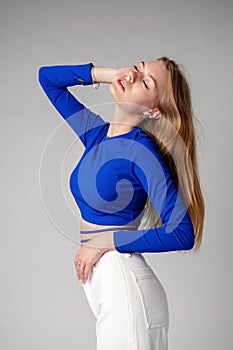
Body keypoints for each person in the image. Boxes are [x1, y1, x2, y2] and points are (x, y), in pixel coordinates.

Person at [38, 57, 205, 350]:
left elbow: (182, 232)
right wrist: (108, 74)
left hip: (125, 291)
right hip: (106, 289)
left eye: (145, 81)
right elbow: (47, 79)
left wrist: (105, 241)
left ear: (152, 110)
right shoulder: (96, 135)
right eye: (137, 67)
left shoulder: (142, 151)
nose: (132, 75)